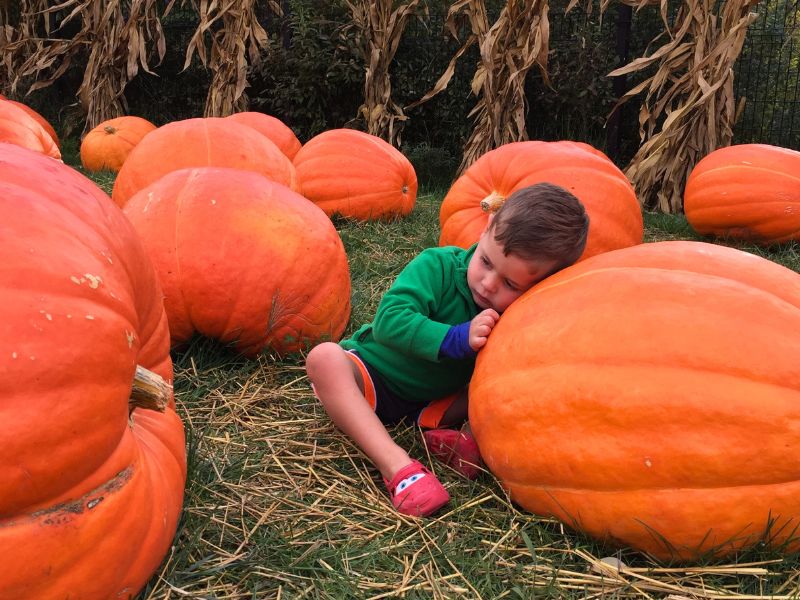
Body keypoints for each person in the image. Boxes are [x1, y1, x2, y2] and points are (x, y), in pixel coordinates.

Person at [305, 182, 590, 517]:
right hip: (374, 379)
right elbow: (389, 321)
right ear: (486, 228)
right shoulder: (437, 267)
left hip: (436, 403)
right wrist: (455, 338)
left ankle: (454, 438)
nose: (488, 284)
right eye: (486, 261)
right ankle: (398, 468)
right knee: (324, 358)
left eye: (511, 284)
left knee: (500, 387)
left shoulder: (520, 315)